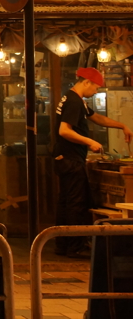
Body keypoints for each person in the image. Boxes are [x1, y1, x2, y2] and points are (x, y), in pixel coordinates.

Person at [51, 67, 133, 258]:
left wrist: (122, 125)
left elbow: (96, 118)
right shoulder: (73, 102)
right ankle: (74, 247)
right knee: (76, 204)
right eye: (95, 87)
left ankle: (61, 245)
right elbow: (64, 131)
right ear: (86, 82)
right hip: (70, 160)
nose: (96, 91)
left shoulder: (75, 100)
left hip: (64, 158)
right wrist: (90, 142)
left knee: (65, 203)